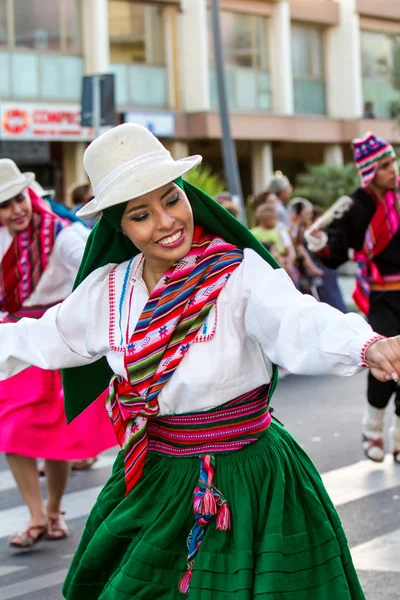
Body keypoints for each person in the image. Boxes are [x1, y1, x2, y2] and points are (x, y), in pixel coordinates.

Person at [1, 125, 400, 599]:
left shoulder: (238, 272)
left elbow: (298, 319)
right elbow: (45, 336)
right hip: (157, 474)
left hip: (248, 476)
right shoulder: (108, 291)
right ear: (120, 226)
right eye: (141, 214)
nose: (166, 222)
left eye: (172, 200)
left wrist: (365, 344)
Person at [0, 159, 116, 549]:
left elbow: (94, 263)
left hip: (54, 337)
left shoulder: (61, 234)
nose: (15, 210)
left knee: (58, 434)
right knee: (13, 431)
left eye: (18, 199)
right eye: (4, 205)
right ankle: (35, 515)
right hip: (13, 339)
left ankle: (53, 510)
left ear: (29, 196)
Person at [306, 131, 400, 463]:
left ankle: (398, 434)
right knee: (387, 361)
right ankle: (372, 427)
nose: (393, 170)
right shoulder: (356, 205)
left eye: (393, 162)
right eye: (386, 165)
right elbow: (335, 252)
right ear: (370, 171)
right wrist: (320, 244)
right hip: (382, 296)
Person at [310, 205, 348, 313]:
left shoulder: (324, 234)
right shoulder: (312, 235)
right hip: (322, 272)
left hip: (330, 272)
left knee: (336, 300)